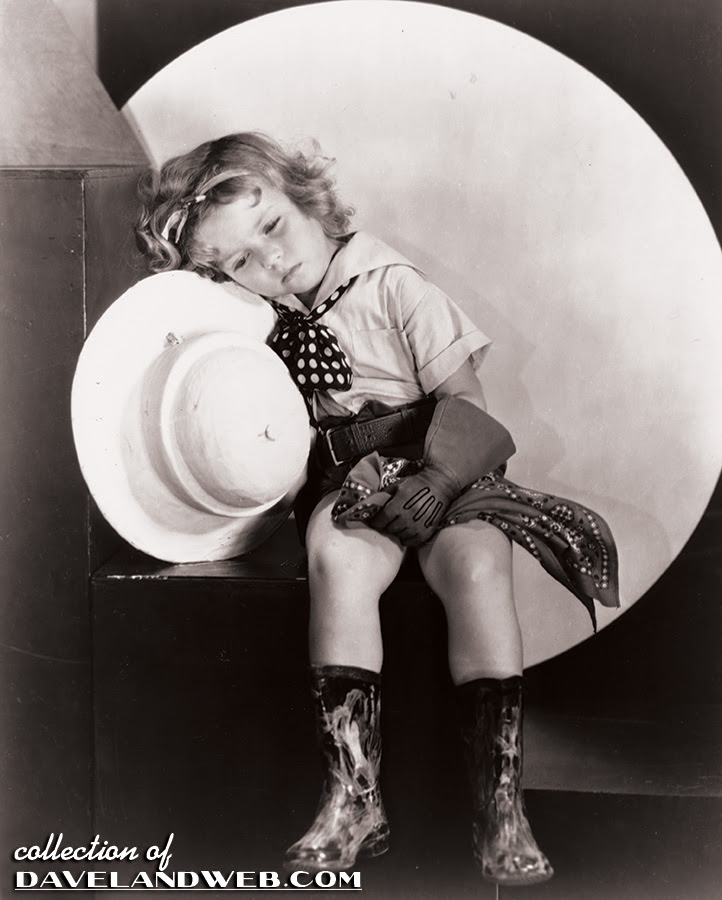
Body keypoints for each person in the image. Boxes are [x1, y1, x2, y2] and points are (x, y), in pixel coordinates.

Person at [135, 131, 619, 887]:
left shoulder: (394, 286)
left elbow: (468, 403)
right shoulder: (264, 324)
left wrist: (440, 481)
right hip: (355, 481)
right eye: (240, 262)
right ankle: (354, 798)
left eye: (272, 228)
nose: (271, 261)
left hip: (445, 468)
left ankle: (499, 804)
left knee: (476, 563)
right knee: (336, 556)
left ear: (306, 199)